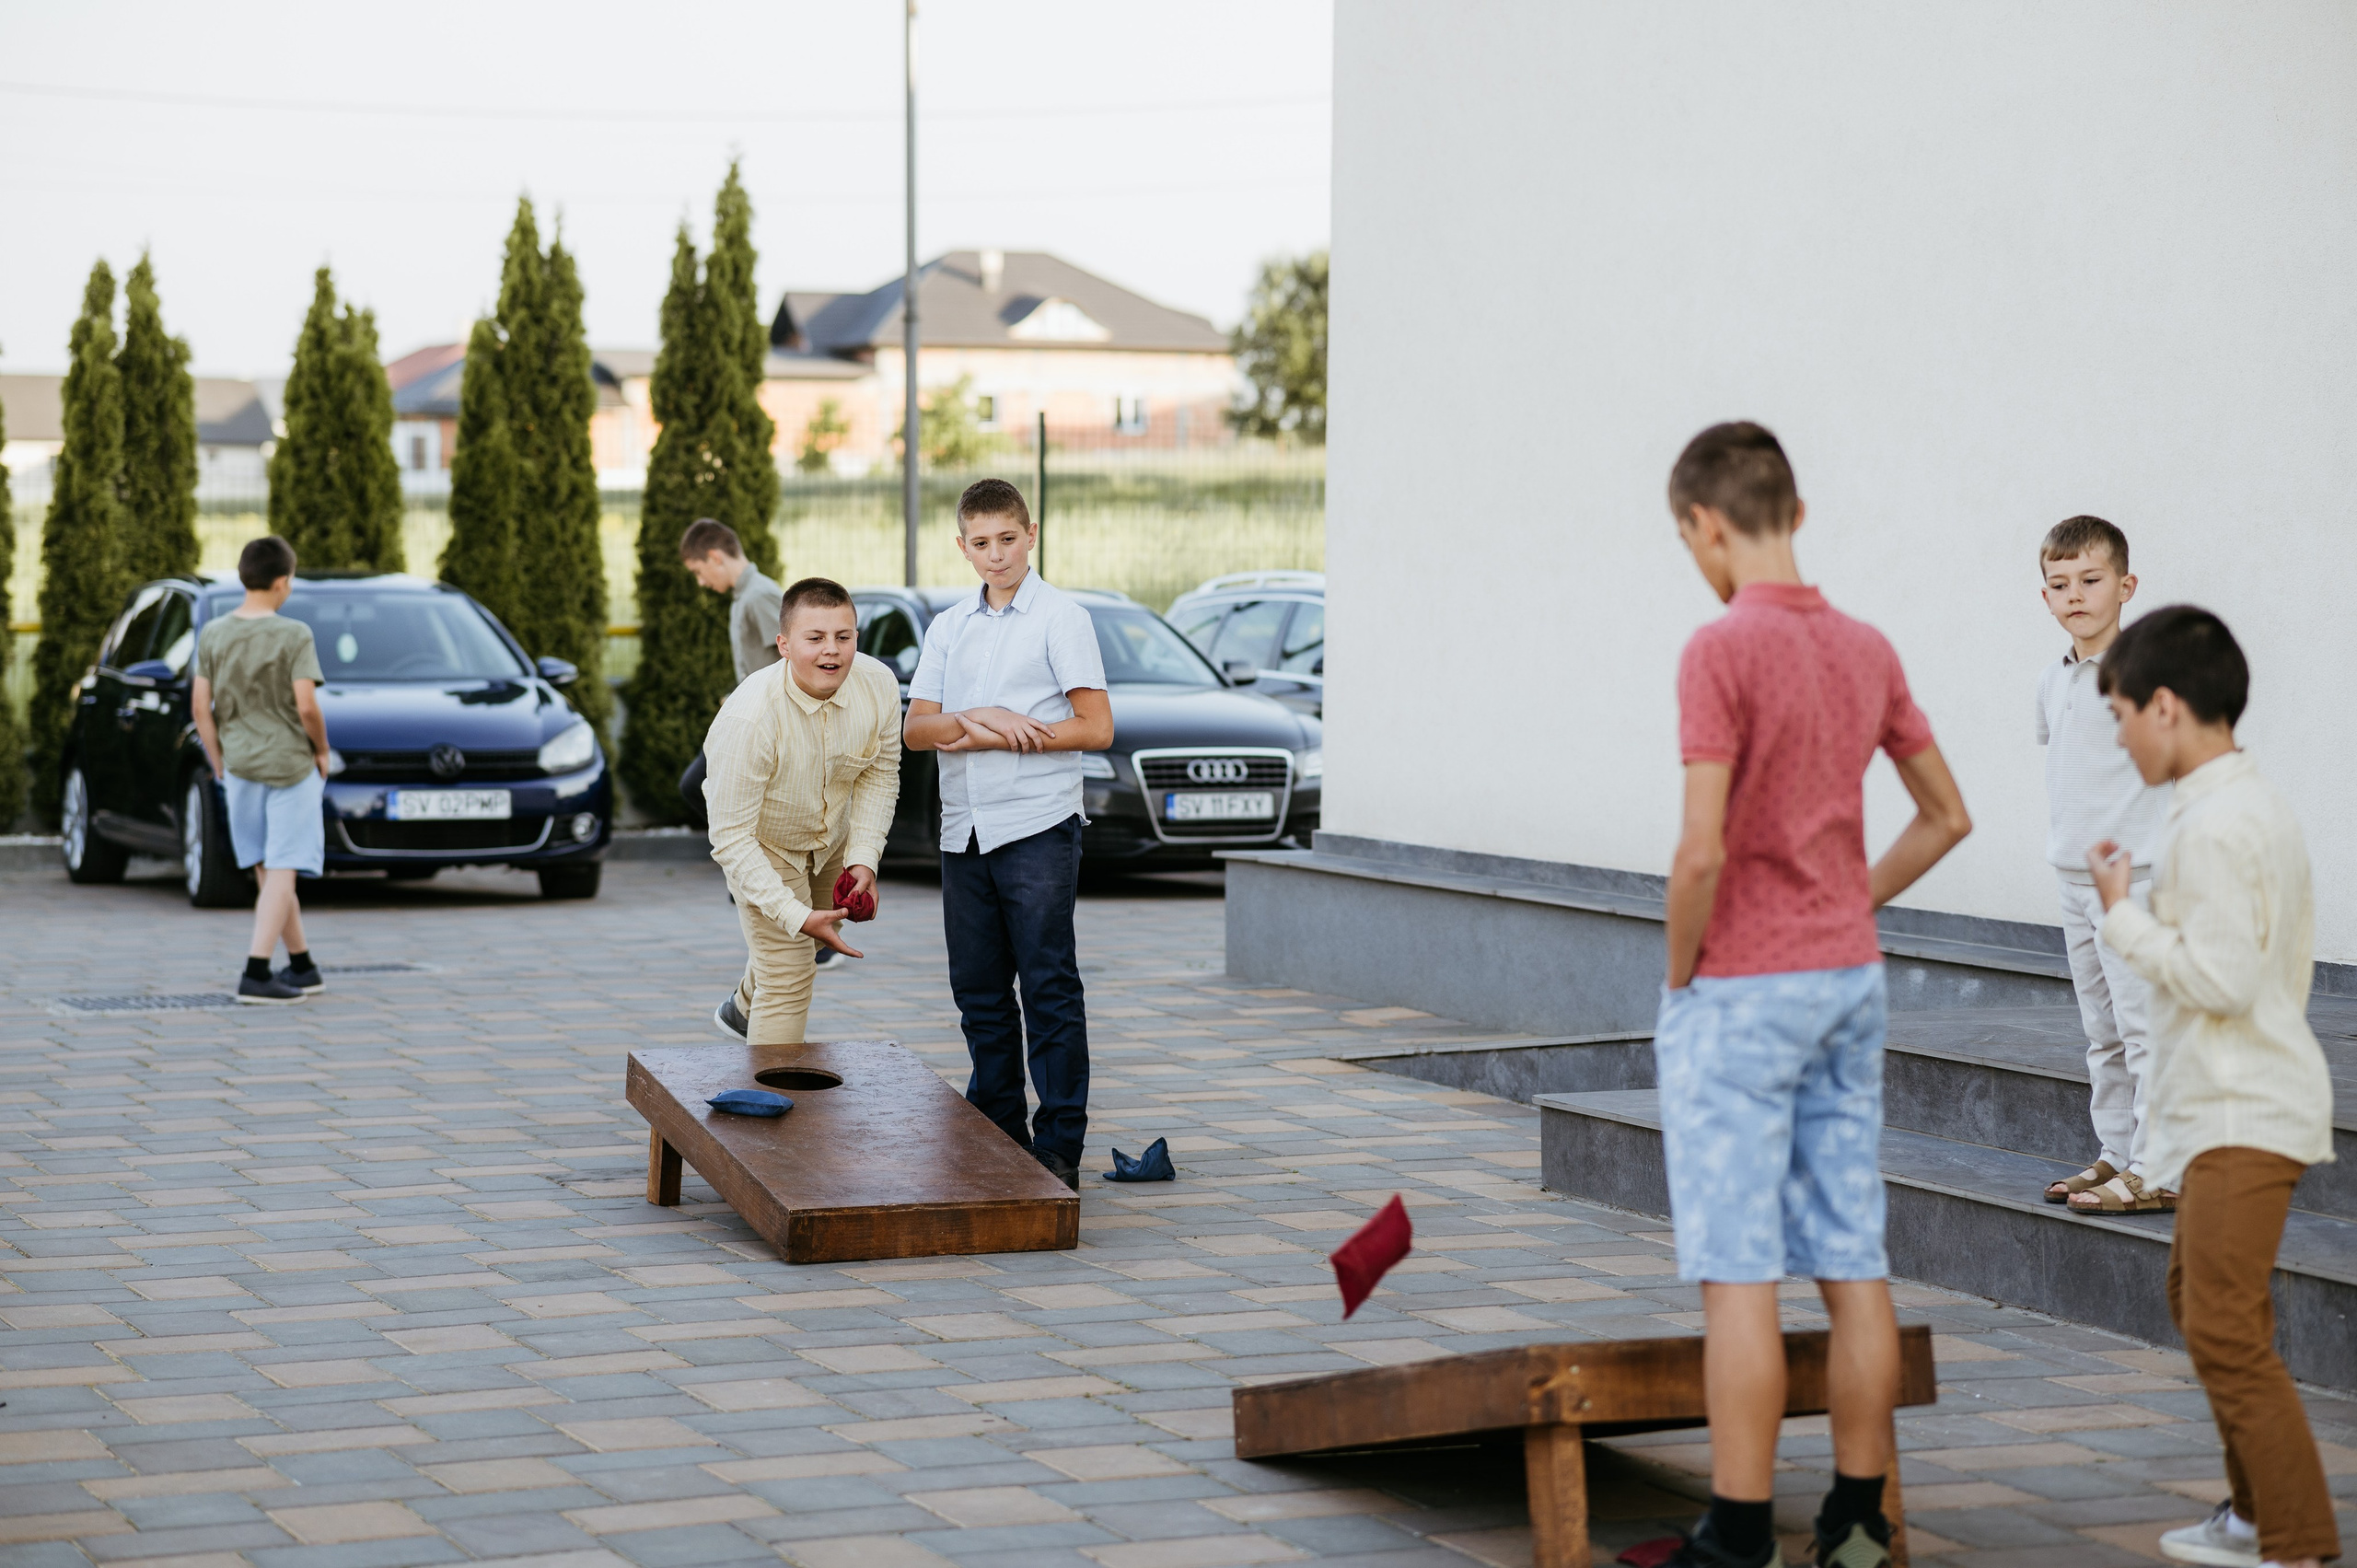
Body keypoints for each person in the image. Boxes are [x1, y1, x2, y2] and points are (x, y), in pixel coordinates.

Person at [1656, 424, 1972, 1568]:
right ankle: (1855, 1519)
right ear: (1795, 509)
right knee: (1850, 1255)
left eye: (1687, 539)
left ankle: (1736, 1535)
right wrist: (1848, 895)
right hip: (1848, 977)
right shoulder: (1866, 646)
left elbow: (1699, 852)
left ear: (1706, 524)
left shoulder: (1717, 649)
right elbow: (1946, 813)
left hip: (1741, 986)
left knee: (1738, 1267)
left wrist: (1679, 971)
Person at [2087, 608, 2336, 1568]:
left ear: (2164, 703)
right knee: (2201, 1299)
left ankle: (2296, 1540)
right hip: (2227, 1108)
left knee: (2224, 1325)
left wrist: (2122, 917)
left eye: (2119, 713)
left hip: (2245, 1110)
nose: (2116, 735)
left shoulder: (2220, 822)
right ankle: (2248, 1513)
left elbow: (2223, 980)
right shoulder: (2223, 804)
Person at [903, 478, 1112, 1191]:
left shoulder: (1062, 618)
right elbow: (916, 727)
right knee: (980, 991)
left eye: (1008, 539)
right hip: (963, 831)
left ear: (1032, 534)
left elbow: (1096, 726)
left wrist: (1001, 736)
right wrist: (983, 714)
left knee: (1048, 987)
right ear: (962, 547)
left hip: (1036, 828)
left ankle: (1058, 1148)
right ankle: (997, 1130)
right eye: (981, 543)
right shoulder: (948, 626)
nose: (997, 555)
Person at [2032, 516, 2175, 1214]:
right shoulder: (2053, 680)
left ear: (2126, 585)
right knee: (2103, 1031)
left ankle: (2160, 1166)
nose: (2076, 595)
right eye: (2060, 584)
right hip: (2072, 880)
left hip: (2135, 883)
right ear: (2046, 597)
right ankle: (2118, 1152)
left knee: (2147, 1027)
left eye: (2091, 580)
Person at [702, 577, 902, 1046]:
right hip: (763, 844)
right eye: (814, 638)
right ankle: (765, 1112)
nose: (830, 651)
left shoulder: (879, 685)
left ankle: (742, 1008)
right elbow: (730, 839)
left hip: (830, 837)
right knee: (790, 975)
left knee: (800, 943)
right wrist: (793, 914)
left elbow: (881, 773)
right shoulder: (749, 718)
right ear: (784, 645)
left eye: (844, 636)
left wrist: (865, 857)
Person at [191, 535, 332, 1005]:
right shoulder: (294, 635)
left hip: (240, 765)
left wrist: (218, 760)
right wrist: (322, 750)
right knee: (285, 866)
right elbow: (307, 706)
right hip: (289, 764)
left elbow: (200, 708)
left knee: (268, 870)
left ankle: (302, 966)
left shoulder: (213, 633)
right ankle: (255, 972)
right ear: (283, 582)